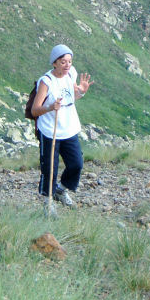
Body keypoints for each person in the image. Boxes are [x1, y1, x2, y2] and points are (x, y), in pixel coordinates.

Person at [31, 44, 93, 216]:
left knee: (76, 164)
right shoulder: (46, 82)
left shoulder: (71, 73)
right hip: (50, 130)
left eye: (69, 61)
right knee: (50, 167)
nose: (67, 65)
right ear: (54, 63)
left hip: (69, 128)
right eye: (63, 62)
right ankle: (48, 201)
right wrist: (50, 107)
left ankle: (61, 189)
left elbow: (73, 97)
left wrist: (82, 92)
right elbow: (35, 110)